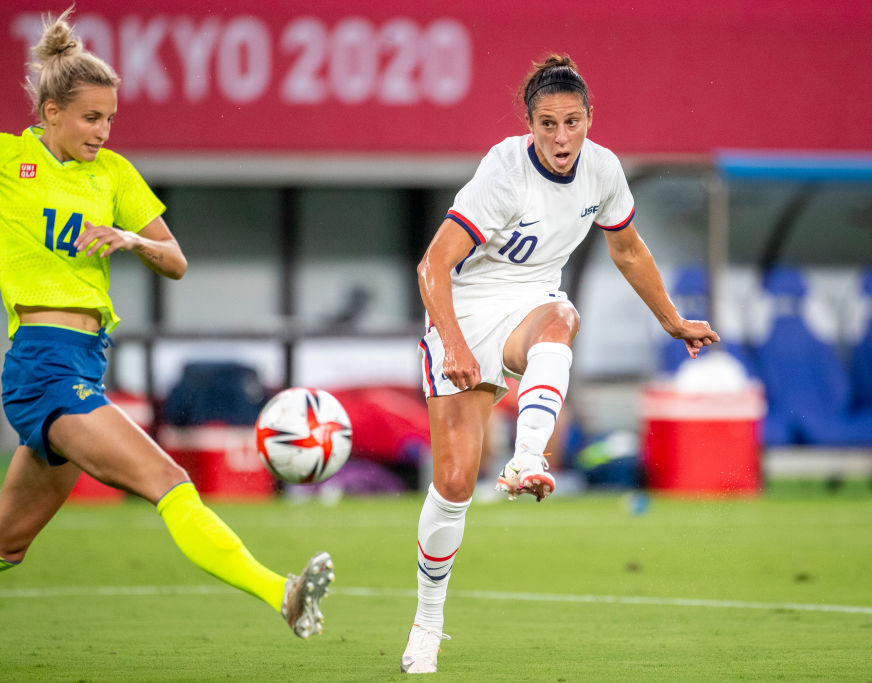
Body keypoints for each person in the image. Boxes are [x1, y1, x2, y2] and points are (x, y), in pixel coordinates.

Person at [0, 8, 333, 639]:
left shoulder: (114, 174)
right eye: (90, 118)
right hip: (42, 367)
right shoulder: (10, 161)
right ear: (51, 113)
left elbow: (175, 261)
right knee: (168, 480)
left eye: (110, 118)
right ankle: (282, 593)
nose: (102, 131)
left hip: (84, 364)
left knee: (7, 542)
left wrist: (131, 239)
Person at [402, 54, 719, 674]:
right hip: (463, 308)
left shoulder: (603, 170)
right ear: (530, 125)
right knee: (455, 484)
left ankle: (528, 458)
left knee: (561, 319)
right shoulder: (503, 171)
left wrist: (672, 320)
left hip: (530, 303)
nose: (561, 137)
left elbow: (628, 250)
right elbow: (432, 265)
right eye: (547, 124)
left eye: (572, 122)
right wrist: (456, 345)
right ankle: (427, 623)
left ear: (590, 118)